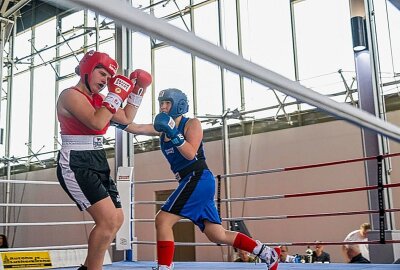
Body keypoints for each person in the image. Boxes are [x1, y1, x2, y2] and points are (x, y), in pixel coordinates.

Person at [122, 88, 280, 270]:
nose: (163, 107)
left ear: (178, 105)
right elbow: (136, 128)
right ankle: (267, 252)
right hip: (190, 181)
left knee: (163, 220)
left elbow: (190, 153)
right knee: (217, 235)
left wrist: (174, 134)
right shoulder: (162, 128)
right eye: (161, 103)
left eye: (167, 103)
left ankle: (164, 266)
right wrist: (113, 119)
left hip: (198, 177)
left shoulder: (192, 124)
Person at [56, 50, 152, 270]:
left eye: (109, 78)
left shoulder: (100, 99)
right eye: (102, 73)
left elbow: (126, 118)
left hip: (97, 159)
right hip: (76, 162)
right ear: (87, 70)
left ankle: (87, 267)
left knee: (117, 218)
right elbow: (97, 123)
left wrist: (139, 90)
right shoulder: (70, 95)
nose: (105, 81)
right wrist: (115, 95)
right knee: (107, 220)